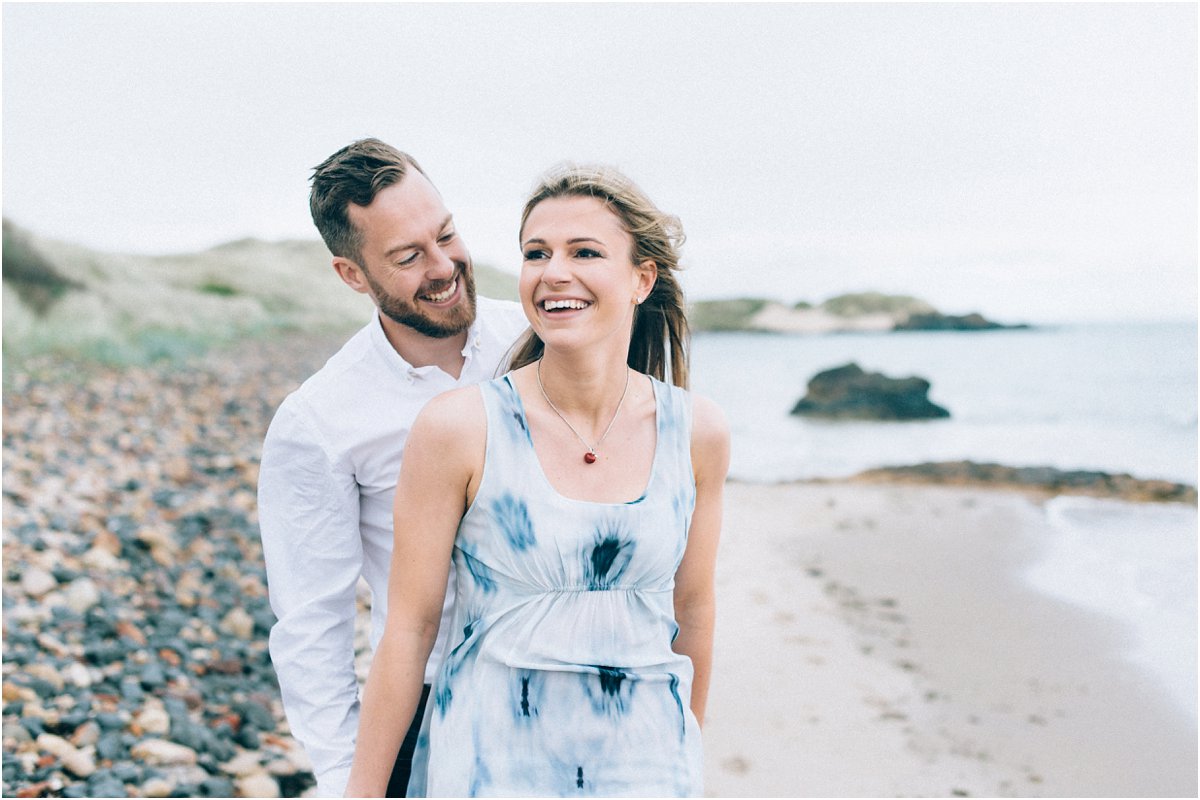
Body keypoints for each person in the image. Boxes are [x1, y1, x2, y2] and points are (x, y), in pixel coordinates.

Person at [345, 163, 731, 797]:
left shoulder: (696, 432)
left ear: (642, 279)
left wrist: (687, 745)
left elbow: (693, 608)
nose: (554, 271)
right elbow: (409, 630)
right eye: (535, 253)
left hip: (645, 766)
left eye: (585, 252)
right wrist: (361, 793)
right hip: (489, 763)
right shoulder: (459, 429)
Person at [257, 139, 529, 797]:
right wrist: (346, 774)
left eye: (446, 235)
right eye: (409, 257)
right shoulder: (319, 421)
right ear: (352, 275)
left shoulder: (539, 339)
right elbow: (311, 620)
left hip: (574, 680)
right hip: (431, 701)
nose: (444, 266)